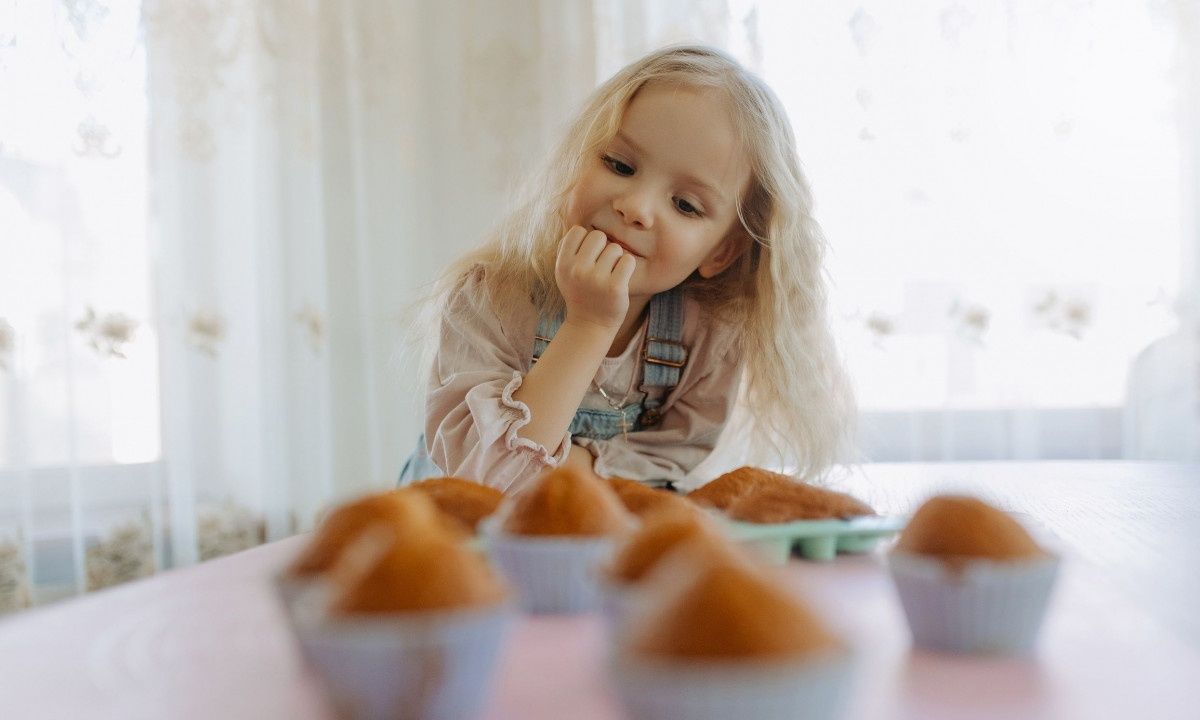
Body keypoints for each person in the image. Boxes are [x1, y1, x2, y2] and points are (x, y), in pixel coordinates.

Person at [399, 45, 854, 493]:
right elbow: (488, 477)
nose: (635, 207)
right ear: (575, 161)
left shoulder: (709, 333)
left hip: (586, 543)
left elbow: (667, 465)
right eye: (619, 164)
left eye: (685, 205)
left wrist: (562, 476)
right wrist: (589, 323)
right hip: (460, 544)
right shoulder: (491, 297)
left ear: (722, 253)